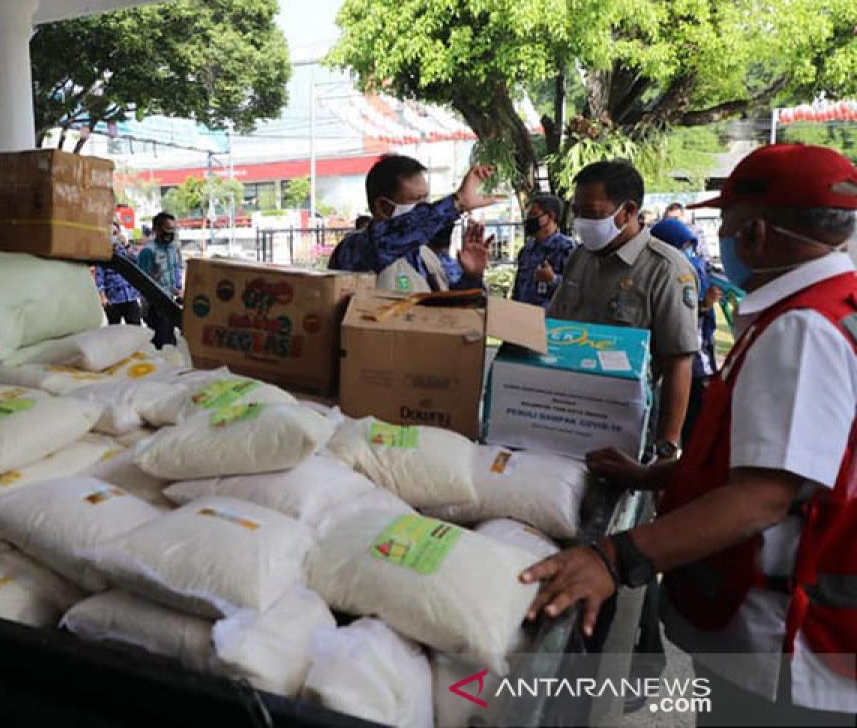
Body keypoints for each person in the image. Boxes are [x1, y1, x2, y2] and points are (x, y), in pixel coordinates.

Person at [522, 144, 857, 725]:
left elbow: (763, 496)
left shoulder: (804, 329)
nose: (719, 237)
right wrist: (657, 475)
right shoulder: (825, 306)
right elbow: (777, 459)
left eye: (724, 223)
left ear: (753, 232)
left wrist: (614, 556)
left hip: (781, 650)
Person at [548, 160, 700, 456]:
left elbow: (679, 362)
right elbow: (554, 325)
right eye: (577, 213)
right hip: (568, 409)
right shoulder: (581, 258)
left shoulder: (665, 269)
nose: (581, 223)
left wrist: (667, 445)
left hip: (629, 422)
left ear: (628, 211)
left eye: (592, 214)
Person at [327, 154, 497, 292]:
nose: (425, 208)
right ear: (383, 207)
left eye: (426, 198)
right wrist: (457, 203)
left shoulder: (426, 257)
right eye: (416, 201)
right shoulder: (358, 249)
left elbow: (453, 314)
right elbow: (389, 238)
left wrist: (472, 276)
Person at [650, 217, 722, 442]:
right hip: (680, 367)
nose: (689, 253)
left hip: (701, 367)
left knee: (697, 428)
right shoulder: (664, 278)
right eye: (682, 248)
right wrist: (704, 306)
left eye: (690, 247)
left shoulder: (698, 272)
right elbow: (678, 321)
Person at [511, 195, 576, 309]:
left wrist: (553, 279)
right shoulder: (527, 250)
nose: (528, 220)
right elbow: (518, 290)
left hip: (551, 321)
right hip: (523, 317)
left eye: (534, 215)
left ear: (550, 216)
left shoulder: (567, 248)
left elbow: (577, 290)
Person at [136, 212, 183, 348]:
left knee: (171, 341)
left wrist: (178, 290)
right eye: (167, 230)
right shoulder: (148, 251)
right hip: (155, 304)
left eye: (173, 230)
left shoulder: (172, 249)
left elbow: (174, 272)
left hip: (170, 302)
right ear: (156, 229)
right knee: (160, 342)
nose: (170, 233)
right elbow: (142, 281)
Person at [95, 220, 143, 325]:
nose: (113, 237)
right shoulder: (103, 255)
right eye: (110, 234)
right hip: (113, 300)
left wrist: (126, 244)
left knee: (135, 328)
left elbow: (138, 260)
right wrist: (103, 297)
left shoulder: (125, 251)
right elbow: (99, 278)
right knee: (114, 332)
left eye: (116, 233)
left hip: (130, 297)